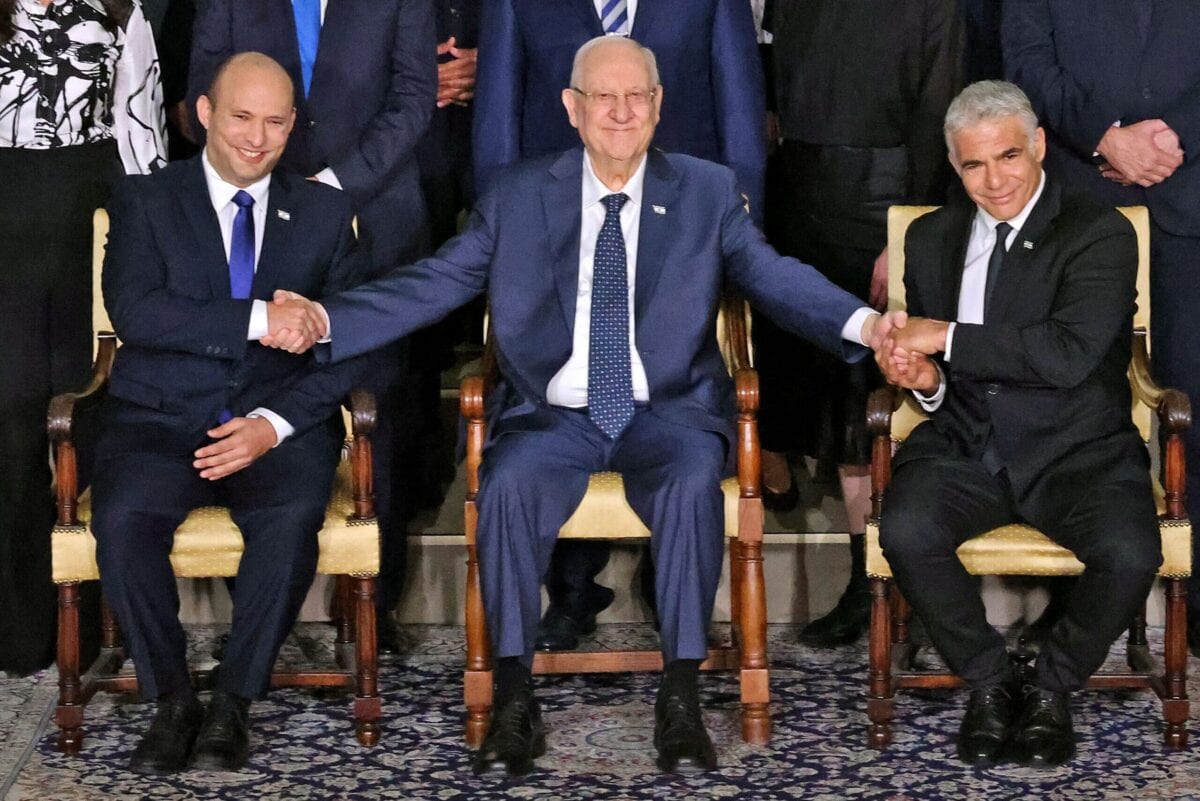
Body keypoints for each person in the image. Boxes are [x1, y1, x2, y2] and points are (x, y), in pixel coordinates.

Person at [269, 36, 898, 776]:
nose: (622, 112)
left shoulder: (705, 190)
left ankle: (682, 694)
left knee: (694, 481)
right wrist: (325, 319)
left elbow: (777, 277)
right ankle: (511, 695)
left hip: (667, 412)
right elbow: (433, 283)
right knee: (503, 486)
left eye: (638, 96)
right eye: (604, 96)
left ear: (659, 107)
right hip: (553, 414)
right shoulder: (518, 196)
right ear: (572, 108)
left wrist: (869, 326)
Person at [92, 52, 368, 775]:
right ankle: (173, 698)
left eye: (276, 121)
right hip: (159, 420)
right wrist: (255, 318)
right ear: (205, 114)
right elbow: (137, 310)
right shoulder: (147, 199)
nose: (257, 137)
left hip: (275, 427)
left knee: (288, 521)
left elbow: (352, 346)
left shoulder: (325, 212)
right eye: (241, 116)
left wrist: (272, 426)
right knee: (122, 521)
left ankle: (233, 704)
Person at [876, 81, 1160, 767]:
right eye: (974, 165)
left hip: (1077, 449)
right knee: (905, 529)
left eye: (1008, 156)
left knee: (1131, 554)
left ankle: (1053, 686)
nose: (994, 179)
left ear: (1037, 147)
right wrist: (928, 382)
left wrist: (942, 335)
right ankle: (991, 681)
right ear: (954, 164)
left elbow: (1066, 356)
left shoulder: (1098, 229)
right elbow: (949, 371)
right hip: (968, 444)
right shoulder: (931, 236)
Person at [472, 0, 767, 654]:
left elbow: (740, 110)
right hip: (558, 230)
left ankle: (674, 597)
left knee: (665, 406)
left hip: (681, 236)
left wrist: (741, 233)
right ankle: (572, 589)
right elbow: (496, 117)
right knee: (563, 397)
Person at [186, 0, 437, 655]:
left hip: (376, 215)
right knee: (256, 388)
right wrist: (264, 177)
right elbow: (201, 95)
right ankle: (262, 614)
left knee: (380, 404)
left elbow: (415, 94)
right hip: (254, 210)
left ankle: (373, 605)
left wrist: (331, 186)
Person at [754, 0, 962, 649]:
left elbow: (940, 114)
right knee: (833, 413)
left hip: (888, 203)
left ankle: (921, 583)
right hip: (800, 201)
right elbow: (771, 92)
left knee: (888, 397)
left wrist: (907, 233)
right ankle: (863, 581)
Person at [1003, 0, 1200, 655]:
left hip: (1191, 195)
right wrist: (1106, 136)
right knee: (1073, 403)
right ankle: (1076, 602)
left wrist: (1178, 137)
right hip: (1083, 199)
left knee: (1195, 407)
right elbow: (1028, 63)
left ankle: (1194, 601)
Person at [0, 0, 165, 676]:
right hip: (5, 225)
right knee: (9, 432)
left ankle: (95, 623)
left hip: (90, 228)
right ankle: (19, 632)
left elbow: (143, 129)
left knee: (88, 422)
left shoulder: (119, 7)